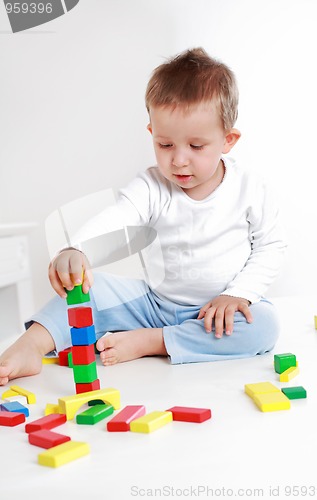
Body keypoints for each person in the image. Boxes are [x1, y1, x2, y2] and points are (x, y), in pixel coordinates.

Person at [0, 47, 287, 386]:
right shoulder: (152, 185)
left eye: (196, 147)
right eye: (166, 145)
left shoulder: (249, 187)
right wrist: (76, 248)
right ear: (152, 133)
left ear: (228, 140)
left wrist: (239, 293)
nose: (179, 160)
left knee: (264, 325)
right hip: (152, 304)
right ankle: (31, 345)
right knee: (91, 289)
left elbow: (271, 246)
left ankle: (155, 341)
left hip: (216, 310)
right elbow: (119, 217)